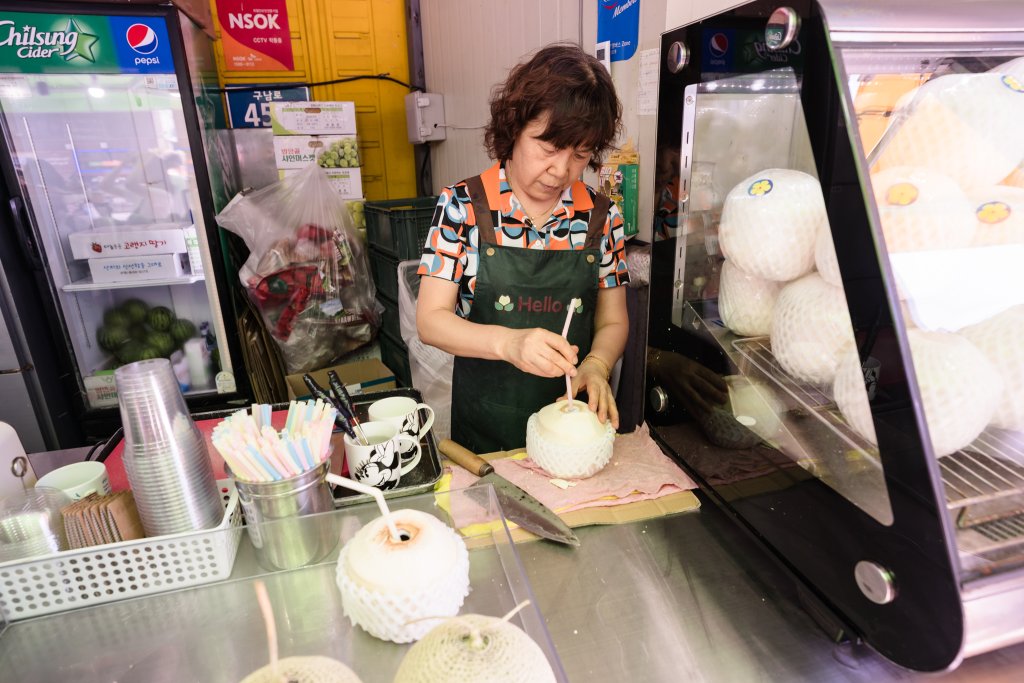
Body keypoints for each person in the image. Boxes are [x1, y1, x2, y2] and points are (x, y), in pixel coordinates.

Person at [416, 43, 630, 455]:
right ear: (514, 127)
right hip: (486, 439)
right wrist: (509, 344)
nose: (561, 170)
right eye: (548, 148)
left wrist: (597, 364)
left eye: (579, 155)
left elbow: (613, 322)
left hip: (573, 439)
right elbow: (431, 321)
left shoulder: (602, 218)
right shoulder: (462, 207)